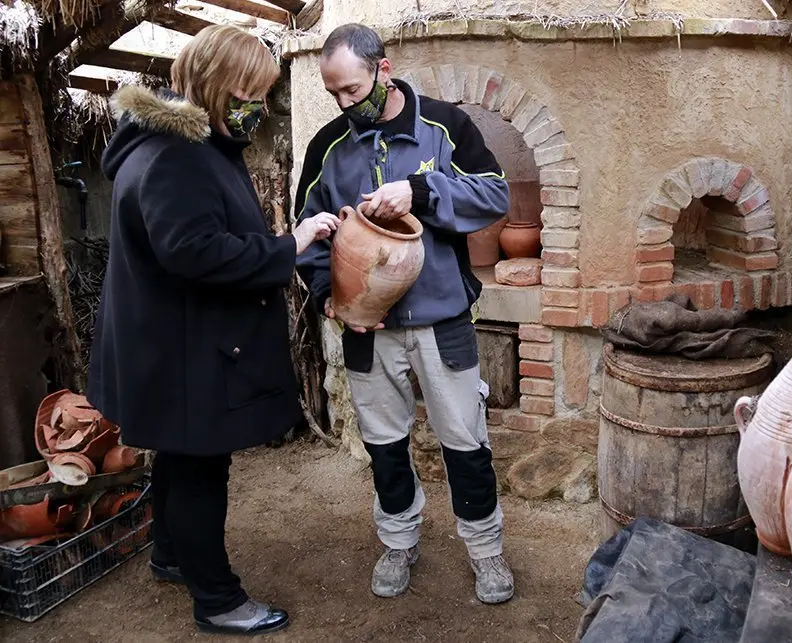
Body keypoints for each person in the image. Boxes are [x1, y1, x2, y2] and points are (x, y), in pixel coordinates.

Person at [87, 24, 340, 635]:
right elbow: (195, 252)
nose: (260, 106)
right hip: (188, 349)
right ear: (221, 87)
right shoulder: (179, 155)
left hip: (167, 340)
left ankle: (171, 554)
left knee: (180, 455)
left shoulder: (165, 144)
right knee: (203, 470)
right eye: (253, 93)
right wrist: (290, 244)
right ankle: (218, 599)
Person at [295, 23, 515, 604]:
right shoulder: (327, 147)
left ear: (382, 70)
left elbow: (496, 196)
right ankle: (398, 540)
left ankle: (487, 550)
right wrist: (329, 300)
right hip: (367, 326)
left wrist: (421, 192)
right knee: (385, 443)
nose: (344, 104)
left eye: (352, 89)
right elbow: (309, 235)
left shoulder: (447, 126)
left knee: (466, 441)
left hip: (443, 321)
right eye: (333, 93)